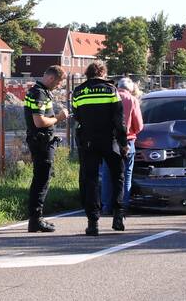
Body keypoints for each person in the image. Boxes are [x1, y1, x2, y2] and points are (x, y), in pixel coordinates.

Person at [72, 60, 128, 235]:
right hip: (109, 140)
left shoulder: (78, 91)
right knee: (118, 176)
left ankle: (93, 223)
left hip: (88, 141)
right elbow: (119, 120)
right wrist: (123, 143)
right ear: (103, 73)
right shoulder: (111, 90)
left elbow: (77, 116)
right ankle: (118, 216)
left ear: (88, 74)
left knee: (91, 181)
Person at [23, 65, 68, 232]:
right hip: (41, 143)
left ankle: (37, 218)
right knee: (41, 180)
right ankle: (35, 220)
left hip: (42, 141)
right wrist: (59, 118)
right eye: (58, 83)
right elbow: (39, 121)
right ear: (51, 78)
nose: (58, 86)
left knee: (42, 179)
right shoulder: (39, 93)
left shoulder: (40, 91)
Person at [100, 77, 143, 213]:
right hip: (127, 141)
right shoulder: (132, 100)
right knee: (126, 175)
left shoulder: (108, 97)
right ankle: (122, 206)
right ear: (130, 89)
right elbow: (139, 125)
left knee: (107, 174)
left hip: (109, 141)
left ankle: (106, 206)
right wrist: (131, 131)